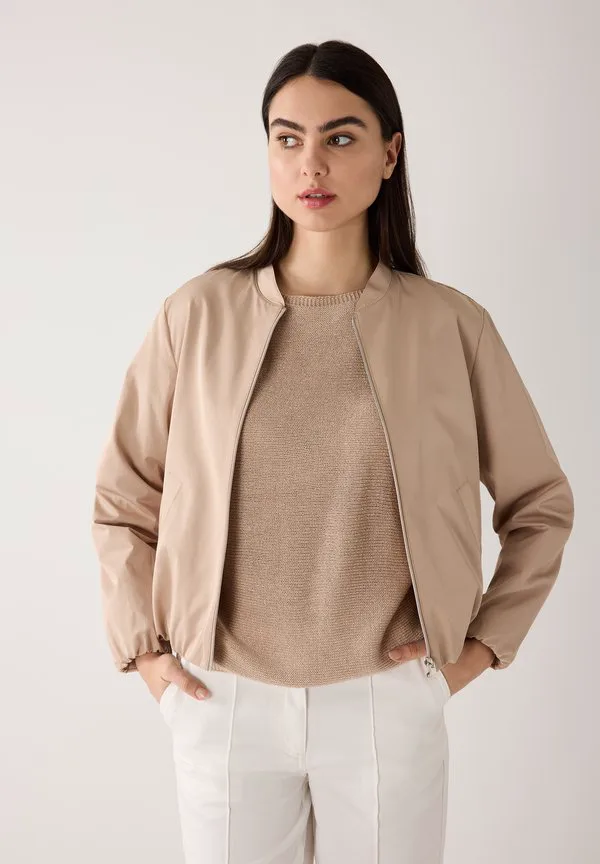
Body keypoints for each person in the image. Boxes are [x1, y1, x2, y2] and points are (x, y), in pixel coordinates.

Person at [91, 39, 575, 864]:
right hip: (221, 696)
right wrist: (145, 655)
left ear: (390, 153)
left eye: (340, 137)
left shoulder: (450, 326)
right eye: (288, 138)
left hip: (386, 700)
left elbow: (540, 504)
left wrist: (476, 653)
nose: (310, 163)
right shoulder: (197, 314)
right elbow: (123, 496)